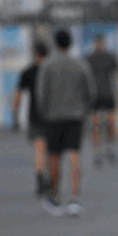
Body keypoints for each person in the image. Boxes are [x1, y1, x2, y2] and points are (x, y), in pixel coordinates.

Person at [35, 29, 95, 217]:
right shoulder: (80, 64)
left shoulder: (47, 65)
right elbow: (91, 92)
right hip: (75, 116)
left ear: (55, 43)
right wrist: (84, 108)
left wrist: (45, 112)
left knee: (53, 157)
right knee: (74, 155)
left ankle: (55, 196)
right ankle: (74, 198)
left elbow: (41, 93)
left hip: (53, 117)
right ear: (70, 43)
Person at [12, 40, 50, 197]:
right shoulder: (51, 71)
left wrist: (15, 116)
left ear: (35, 53)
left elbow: (18, 96)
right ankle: (49, 179)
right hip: (52, 115)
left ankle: (40, 178)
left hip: (35, 115)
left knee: (39, 148)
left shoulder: (27, 72)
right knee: (50, 149)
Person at [85, 34, 118, 168]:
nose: (100, 45)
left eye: (102, 43)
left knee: (110, 122)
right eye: (99, 43)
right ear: (95, 44)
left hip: (108, 94)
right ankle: (97, 152)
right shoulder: (90, 59)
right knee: (95, 124)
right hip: (94, 95)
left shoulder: (110, 58)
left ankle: (109, 147)